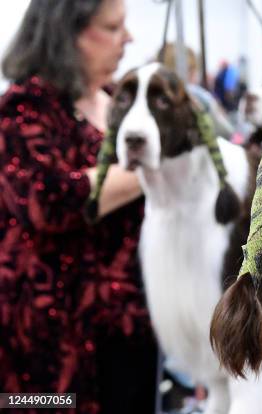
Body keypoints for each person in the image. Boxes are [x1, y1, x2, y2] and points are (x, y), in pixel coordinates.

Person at [0, 1, 158, 413]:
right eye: (112, 27)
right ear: (66, 33)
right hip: (49, 335)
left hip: (127, 323)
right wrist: (150, 170)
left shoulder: (116, 103)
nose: (129, 38)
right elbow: (49, 200)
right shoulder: (25, 108)